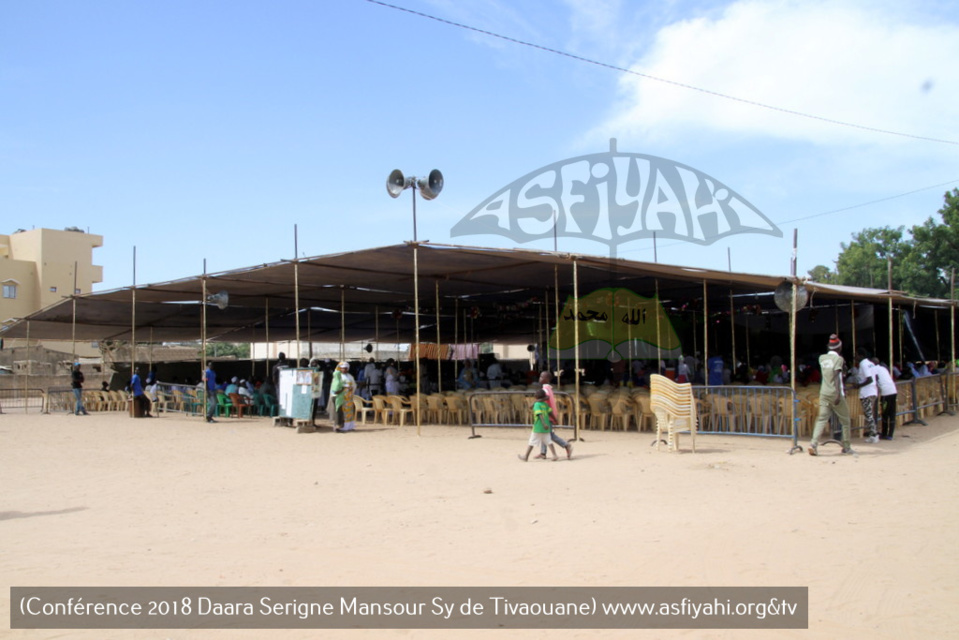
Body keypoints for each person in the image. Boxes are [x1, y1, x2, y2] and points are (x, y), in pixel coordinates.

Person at [809, 334, 854, 456]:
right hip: (835, 393)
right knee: (845, 420)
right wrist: (839, 394)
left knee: (821, 418)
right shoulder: (839, 359)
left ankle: (813, 443)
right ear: (839, 348)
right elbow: (837, 376)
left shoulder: (822, 358)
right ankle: (846, 446)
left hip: (824, 392)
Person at [536, 371, 572, 459]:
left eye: (542, 377)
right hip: (548, 414)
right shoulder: (548, 388)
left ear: (547, 379)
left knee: (549, 435)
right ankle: (543, 452)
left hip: (547, 415)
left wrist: (536, 401)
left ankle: (566, 445)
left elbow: (547, 397)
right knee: (544, 433)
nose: (540, 378)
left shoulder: (545, 389)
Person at [518, 389, 559, 461]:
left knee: (532, 441)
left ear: (536, 397)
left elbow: (539, 415)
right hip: (546, 426)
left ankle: (526, 456)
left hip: (538, 426)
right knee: (548, 441)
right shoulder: (545, 404)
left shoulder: (537, 404)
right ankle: (554, 455)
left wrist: (543, 424)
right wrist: (555, 420)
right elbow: (550, 413)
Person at [855, 348, 879, 443]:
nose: (855, 357)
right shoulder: (871, 363)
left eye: (856, 355)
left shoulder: (863, 364)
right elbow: (876, 377)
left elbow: (869, 379)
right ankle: (873, 433)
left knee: (868, 414)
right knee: (869, 414)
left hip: (866, 392)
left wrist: (858, 385)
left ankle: (874, 434)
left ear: (861, 356)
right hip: (873, 391)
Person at [872, 358, 898, 440]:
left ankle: (884, 433)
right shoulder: (883, 368)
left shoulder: (874, 369)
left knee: (885, 413)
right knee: (892, 413)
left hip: (886, 393)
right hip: (893, 391)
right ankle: (890, 434)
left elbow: (873, 381)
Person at [329, 361, 356, 432]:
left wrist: (352, 388)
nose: (343, 370)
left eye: (345, 368)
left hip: (349, 398)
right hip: (340, 397)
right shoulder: (337, 376)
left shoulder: (350, 376)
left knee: (349, 412)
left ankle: (349, 426)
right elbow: (335, 387)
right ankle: (340, 426)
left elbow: (354, 385)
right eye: (342, 368)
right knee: (340, 412)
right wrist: (345, 388)